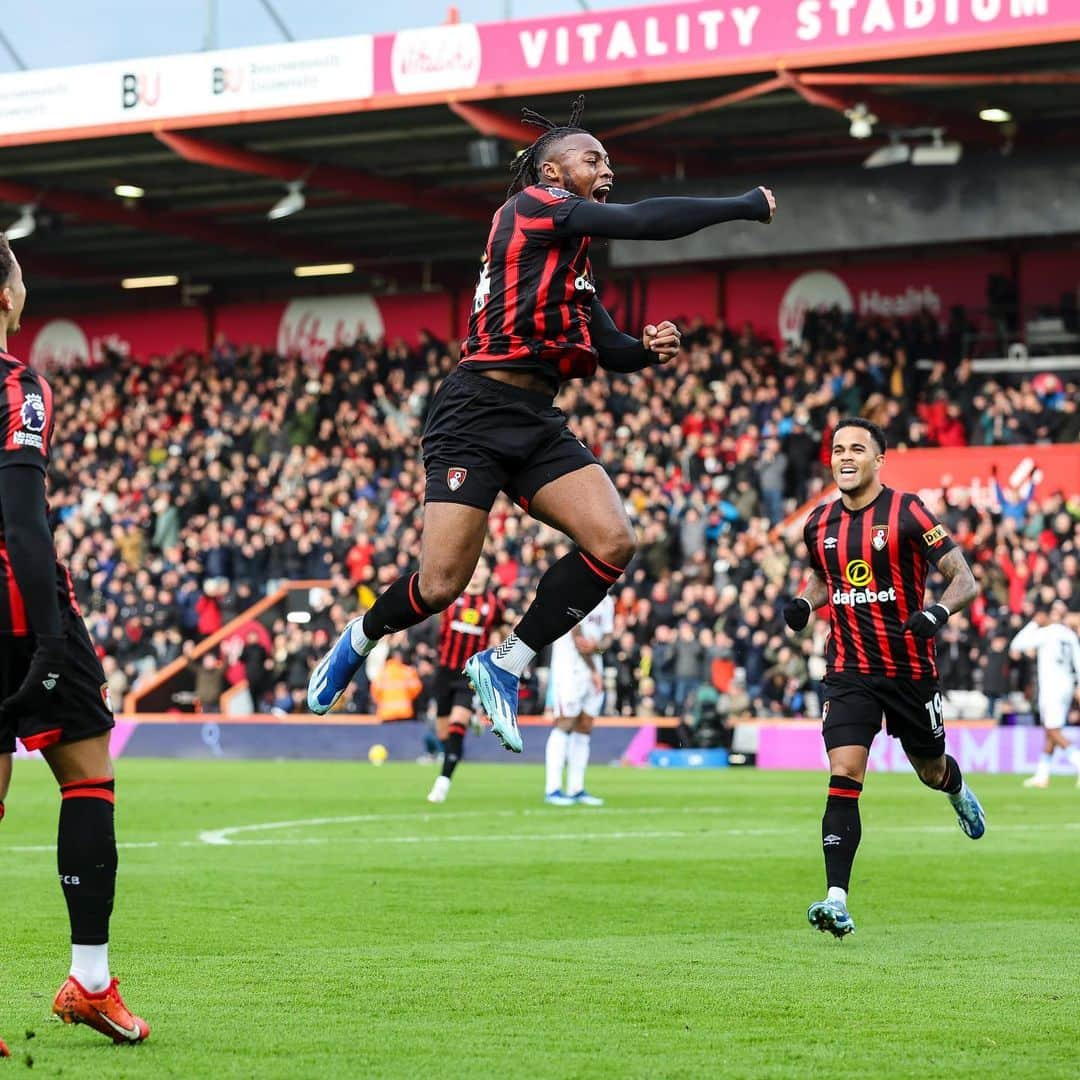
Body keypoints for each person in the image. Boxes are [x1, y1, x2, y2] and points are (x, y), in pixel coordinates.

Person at [308, 95, 775, 753]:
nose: (605, 168)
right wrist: (740, 206)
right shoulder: (532, 208)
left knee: (614, 540)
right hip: (473, 411)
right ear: (554, 175)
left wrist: (645, 348)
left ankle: (506, 661)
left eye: (608, 159)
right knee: (442, 585)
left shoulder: (572, 256)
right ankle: (360, 636)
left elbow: (608, 346)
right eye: (592, 159)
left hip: (533, 418)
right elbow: (643, 221)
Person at [0, 235, 149, 1043]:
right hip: (15, 608)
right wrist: (51, 639)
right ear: (7, 299)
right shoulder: (18, 386)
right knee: (86, 773)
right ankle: (89, 979)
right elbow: (23, 523)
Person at [783, 416, 985, 939]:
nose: (845, 457)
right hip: (848, 671)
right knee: (845, 773)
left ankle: (956, 788)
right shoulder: (818, 523)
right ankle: (836, 899)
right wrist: (806, 601)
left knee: (930, 770)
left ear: (879, 460)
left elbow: (964, 579)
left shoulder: (909, 511)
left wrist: (935, 614)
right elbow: (823, 574)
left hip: (909, 672)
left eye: (857, 449)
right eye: (837, 449)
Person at [427, 558, 505, 803]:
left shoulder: (493, 604)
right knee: (443, 733)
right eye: (475, 567)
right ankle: (471, 717)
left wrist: (498, 650)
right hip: (444, 671)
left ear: (488, 573)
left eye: (481, 568)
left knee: (456, 726)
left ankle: (443, 782)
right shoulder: (451, 595)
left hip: (468, 675)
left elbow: (502, 630)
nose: (477, 572)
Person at [544, 592, 615, 806]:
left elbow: (608, 636)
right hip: (569, 668)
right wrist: (594, 668)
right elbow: (576, 634)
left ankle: (576, 787)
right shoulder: (578, 591)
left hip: (593, 670)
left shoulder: (607, 601)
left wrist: (598, 647)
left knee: (585, 726)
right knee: (565, 722)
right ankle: (553, 788)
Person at [1010, 601, 1080, 788]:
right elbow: (1078, 661)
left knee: (1052, 730)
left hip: (1052, 686)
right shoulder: (1069, 634)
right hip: (1066, 685)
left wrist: (1034, 623)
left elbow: (1016, 644)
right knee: (1051, 731)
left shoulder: (1047, 633)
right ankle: (1042, 774)